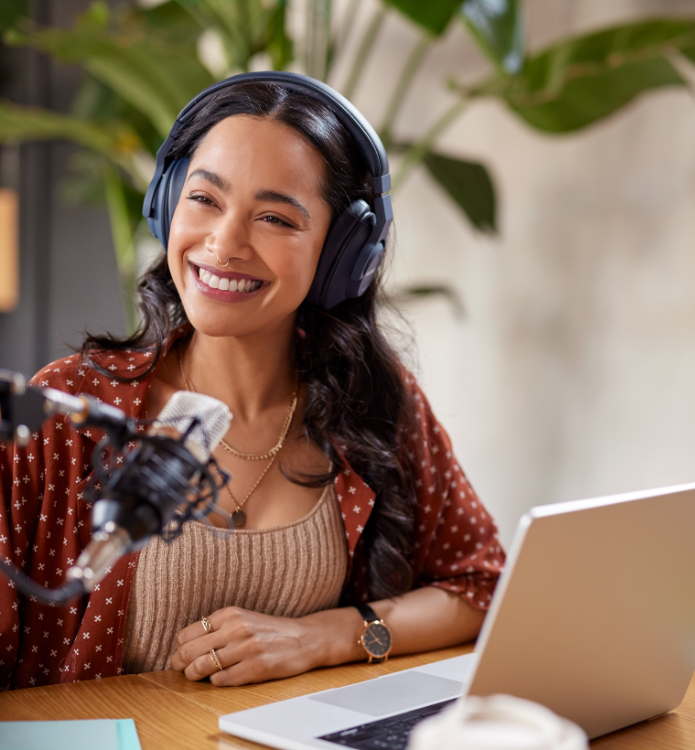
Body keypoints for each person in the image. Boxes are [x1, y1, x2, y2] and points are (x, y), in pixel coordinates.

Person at [0, 76, 504, 690]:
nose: (224, 244)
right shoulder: (73, 411)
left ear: (342, 252)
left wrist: (326, 636)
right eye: (205, 199)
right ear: (166, 204)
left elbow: (478, 586)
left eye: (274, 217)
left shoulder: (375, 406)